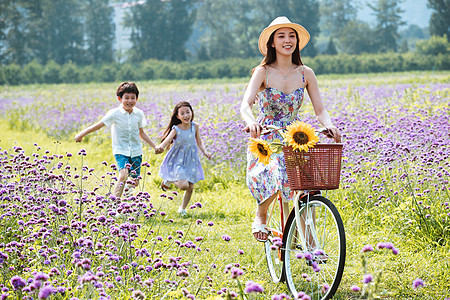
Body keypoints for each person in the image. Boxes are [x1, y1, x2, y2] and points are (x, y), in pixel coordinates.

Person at [240, 16, 342, 242]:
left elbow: (320, 110)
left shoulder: (306, 73)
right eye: (281, 36)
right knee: (276, 172)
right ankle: (261, 214)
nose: (287, 40)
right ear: (272, 43)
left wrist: (330, 125)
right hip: (266, 136)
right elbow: (245, 105)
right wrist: (251, 122)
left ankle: (311, 244)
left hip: (295, 136)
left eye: (291, 36)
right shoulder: (262, 72)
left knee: (307, 188)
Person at [75, 82, 162, 198]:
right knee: (123, 176)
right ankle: (115, 205)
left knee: (135, 182)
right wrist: (81, 134)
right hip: (121, 151)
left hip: (136, 151)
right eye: (126, 98)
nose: (130, 101)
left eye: (133, 98)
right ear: (120, 98)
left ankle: (127, 194)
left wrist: (154, 146)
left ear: (137, 98)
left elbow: (142, 133)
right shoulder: (114, 113)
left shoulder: (139, 114)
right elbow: (98, 125)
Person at [156, 101, 211, 215]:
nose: (186, 115)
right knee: (183, 185)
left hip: (191, 159)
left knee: (190, 186)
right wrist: (160, 147)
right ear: (177, 116)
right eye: (182, 113)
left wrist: (206, 152)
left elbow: (199, 143)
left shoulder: (195, 126)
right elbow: (166, 141)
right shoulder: (176, 129)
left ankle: (183, 209)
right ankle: (170, 179)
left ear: (192, 113)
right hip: (178, 159)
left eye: (188, 112)